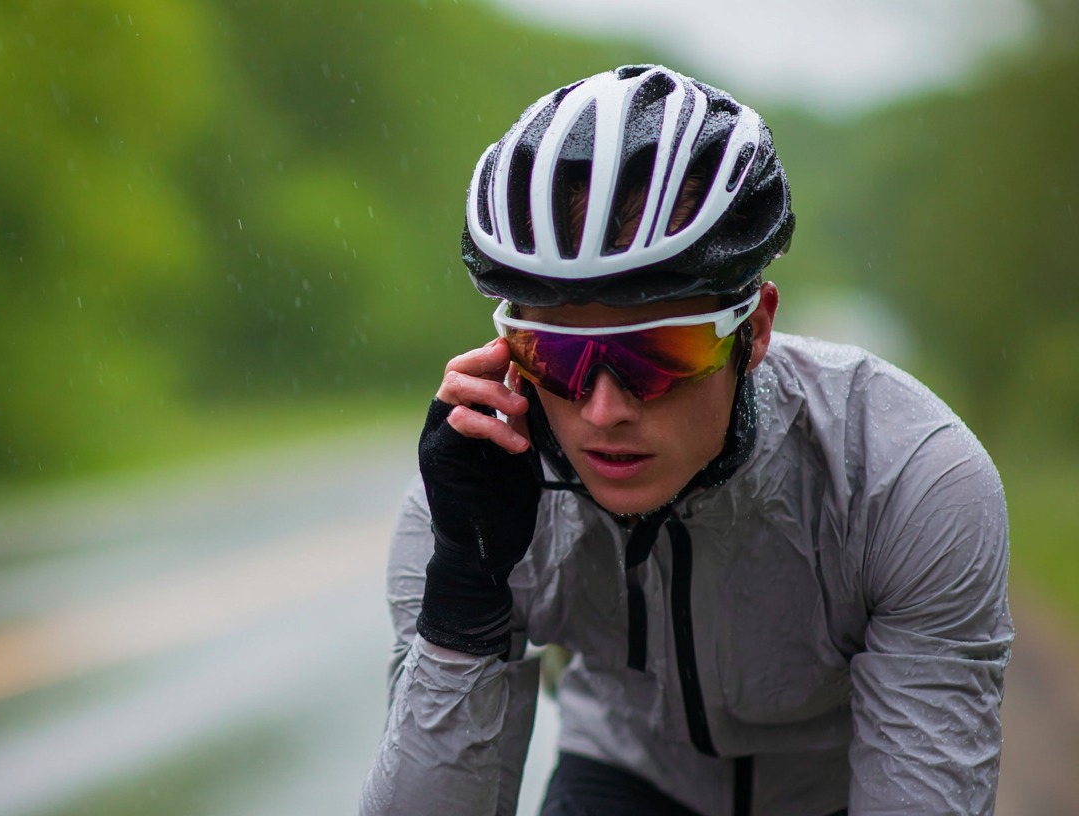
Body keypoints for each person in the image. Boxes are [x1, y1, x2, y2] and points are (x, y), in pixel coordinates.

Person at [360, 65, 1011, 816]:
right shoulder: (476, 490)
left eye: (658, 355)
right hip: (626, 774)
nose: (603, 410)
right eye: (556, 357)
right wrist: (465, 591)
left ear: (754, 329)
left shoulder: (909, 482)